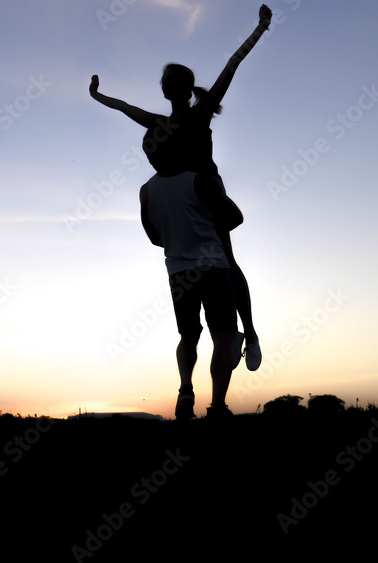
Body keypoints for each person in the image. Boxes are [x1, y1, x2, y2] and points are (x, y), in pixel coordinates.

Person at [89, 4, 273, 376]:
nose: (168, 82)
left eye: (174, 78)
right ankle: (202, 358)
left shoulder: (201, 111)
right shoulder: (159, 122)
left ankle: (250, 335)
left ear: (187, 87)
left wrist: (261, 28)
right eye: (165, 79)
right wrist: (97, 96)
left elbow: (232, 65)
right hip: (178, 196)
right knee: (196, 269)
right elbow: (125, 108)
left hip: (206, 192)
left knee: (227, 262)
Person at [138, 149, 239, 420]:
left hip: (178, 270)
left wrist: (178, 236)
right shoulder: (200, 180)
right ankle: (217, 406)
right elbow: (236, 218)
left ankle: (185, 388)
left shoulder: (146, 190)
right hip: (214, 265)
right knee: (224, 336)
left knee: (188, 336)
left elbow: (153, 237)